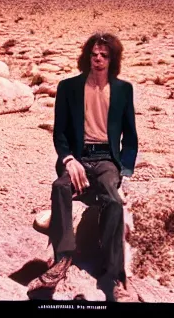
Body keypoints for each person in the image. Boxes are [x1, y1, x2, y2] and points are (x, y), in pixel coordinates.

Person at [27, 32, 139, 302]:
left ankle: (114, 275)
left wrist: (124, 170)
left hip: (106, 160)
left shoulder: (124, 90)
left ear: (113, 59)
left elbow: (130, 136)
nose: (98, 59)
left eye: (104, 55)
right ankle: (62, 260)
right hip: (77, 157)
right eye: (94, 54)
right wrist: (68, 160)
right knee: (60, 187)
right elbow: (60, 134)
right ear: (87, 57)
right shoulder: (68, 87)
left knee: (113, 201)